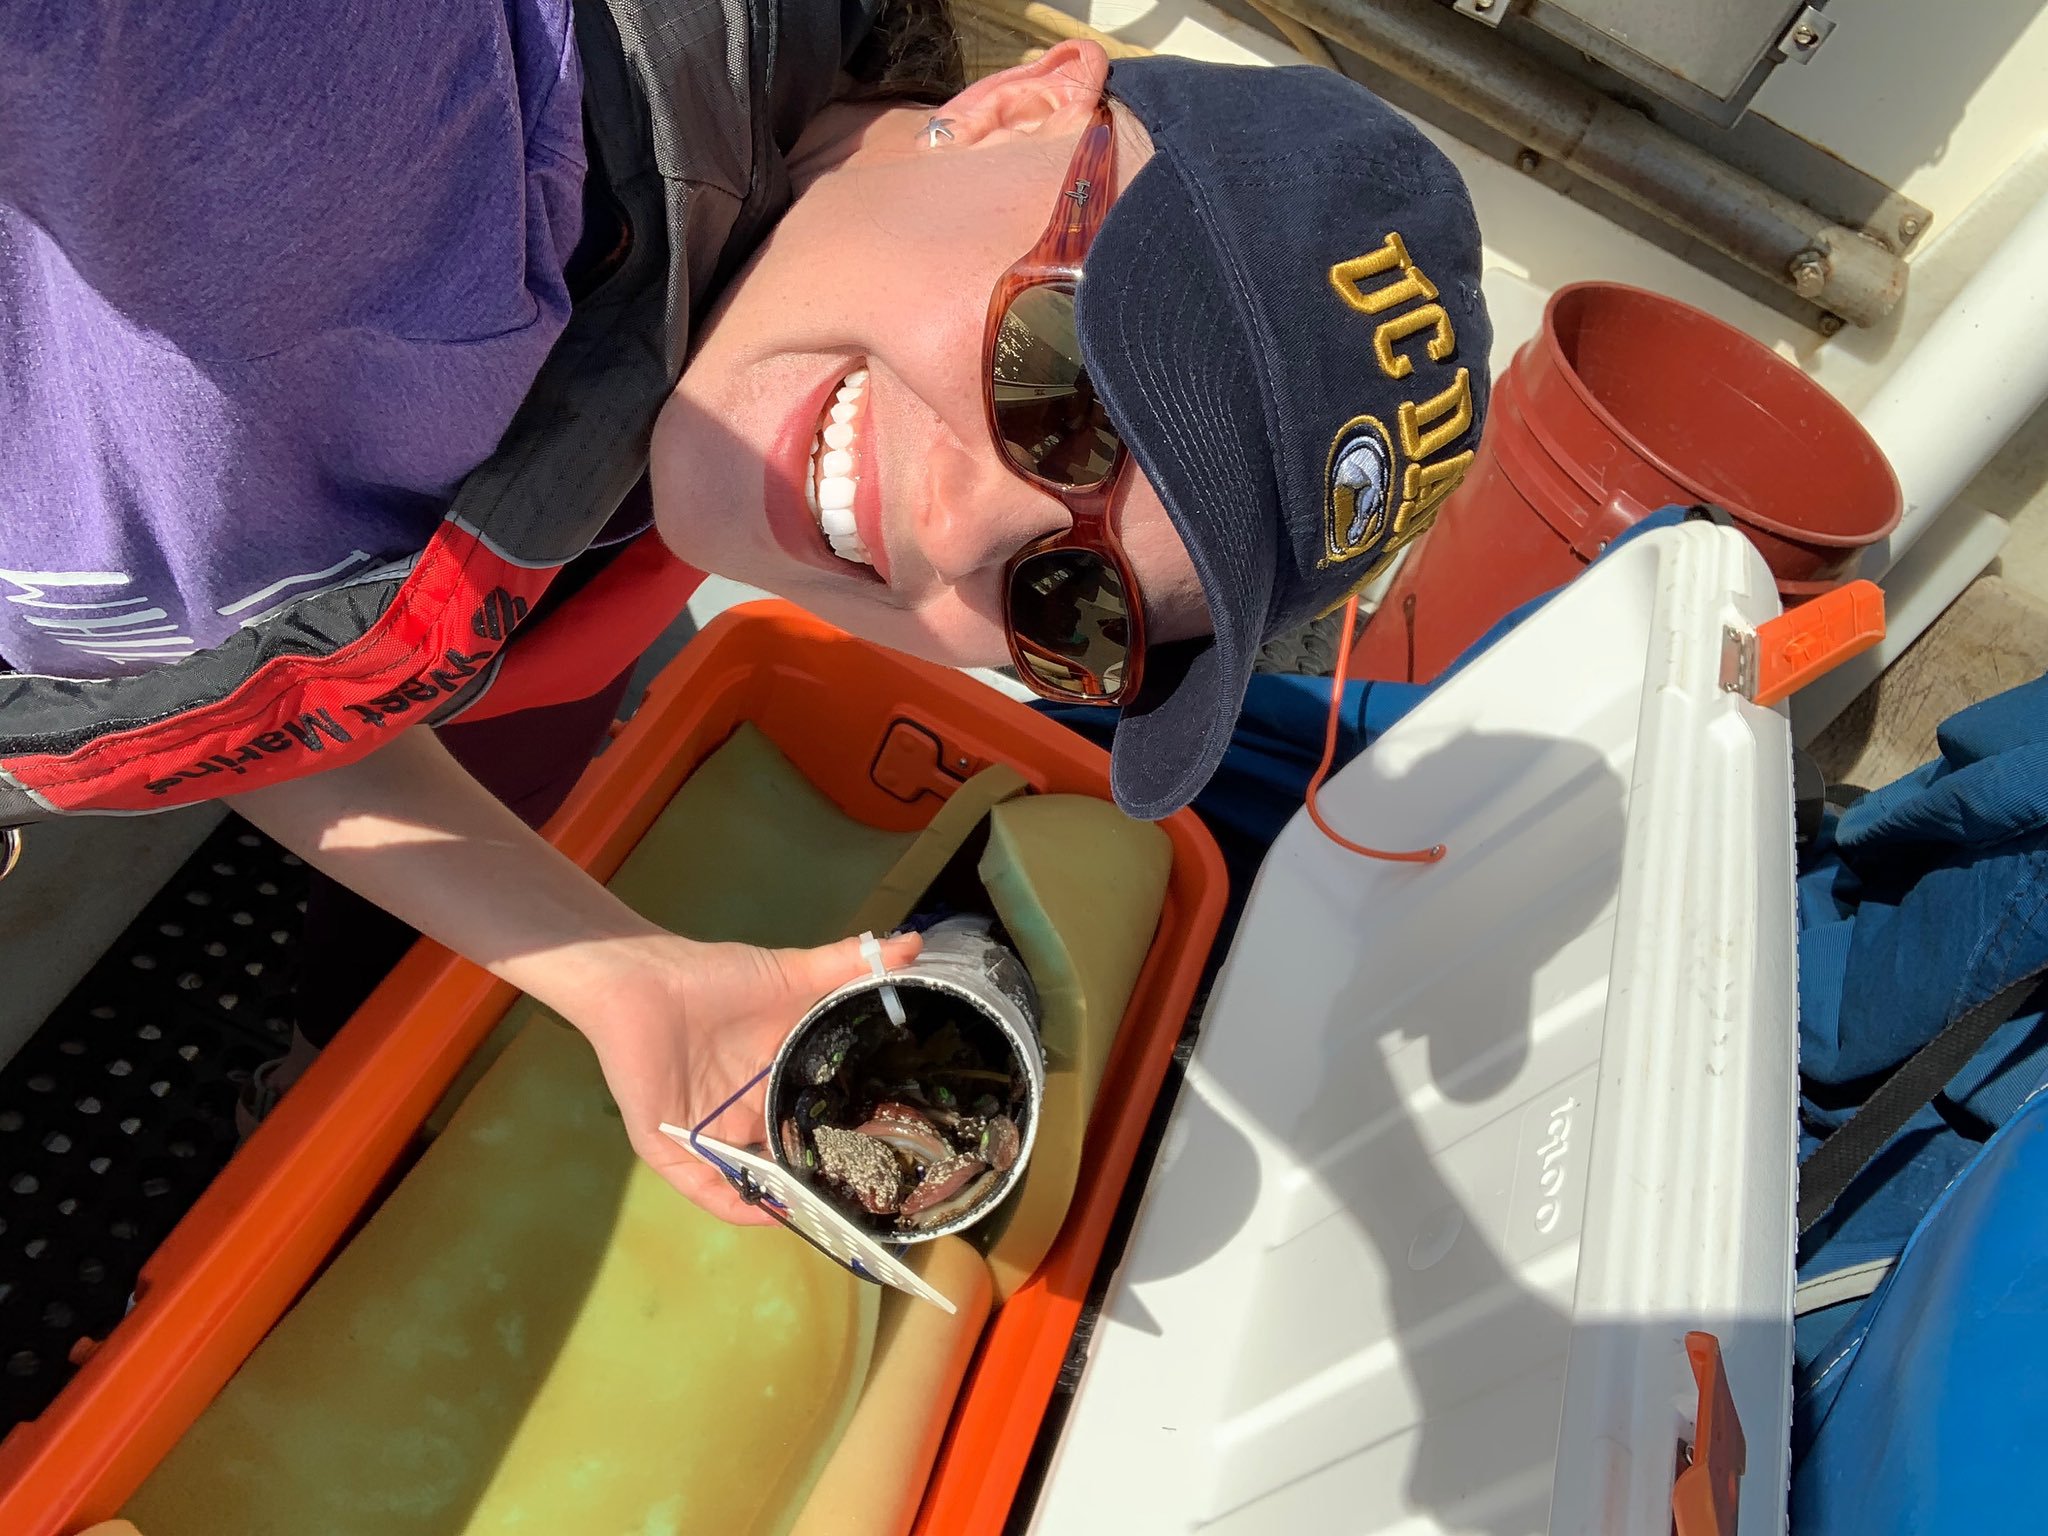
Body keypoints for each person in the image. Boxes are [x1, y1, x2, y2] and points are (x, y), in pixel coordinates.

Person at [0, 0, 1489, 1222]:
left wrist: (611, 965)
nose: (955, 538)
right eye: (1063, 388)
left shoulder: (683, 383)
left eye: (1073, 602)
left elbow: (270, 677)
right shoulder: (432, 88)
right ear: (1022, 106)